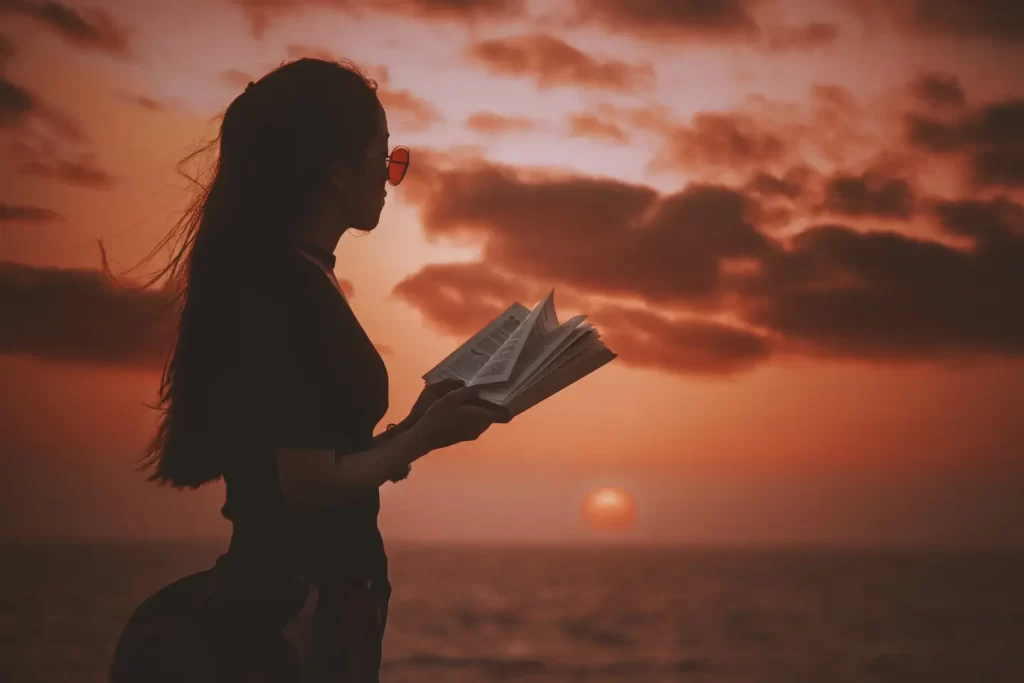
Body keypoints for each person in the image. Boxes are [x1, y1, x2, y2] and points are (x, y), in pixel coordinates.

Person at [109, 57, 502, 682]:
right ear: (334, 170)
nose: (389, 178)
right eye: (384, 158)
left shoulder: (298, 275)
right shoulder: (285, 289)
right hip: (287, 612)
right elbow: (305, 486)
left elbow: (321, 458)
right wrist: (424, 438)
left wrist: (411, 428)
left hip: (315, 600)